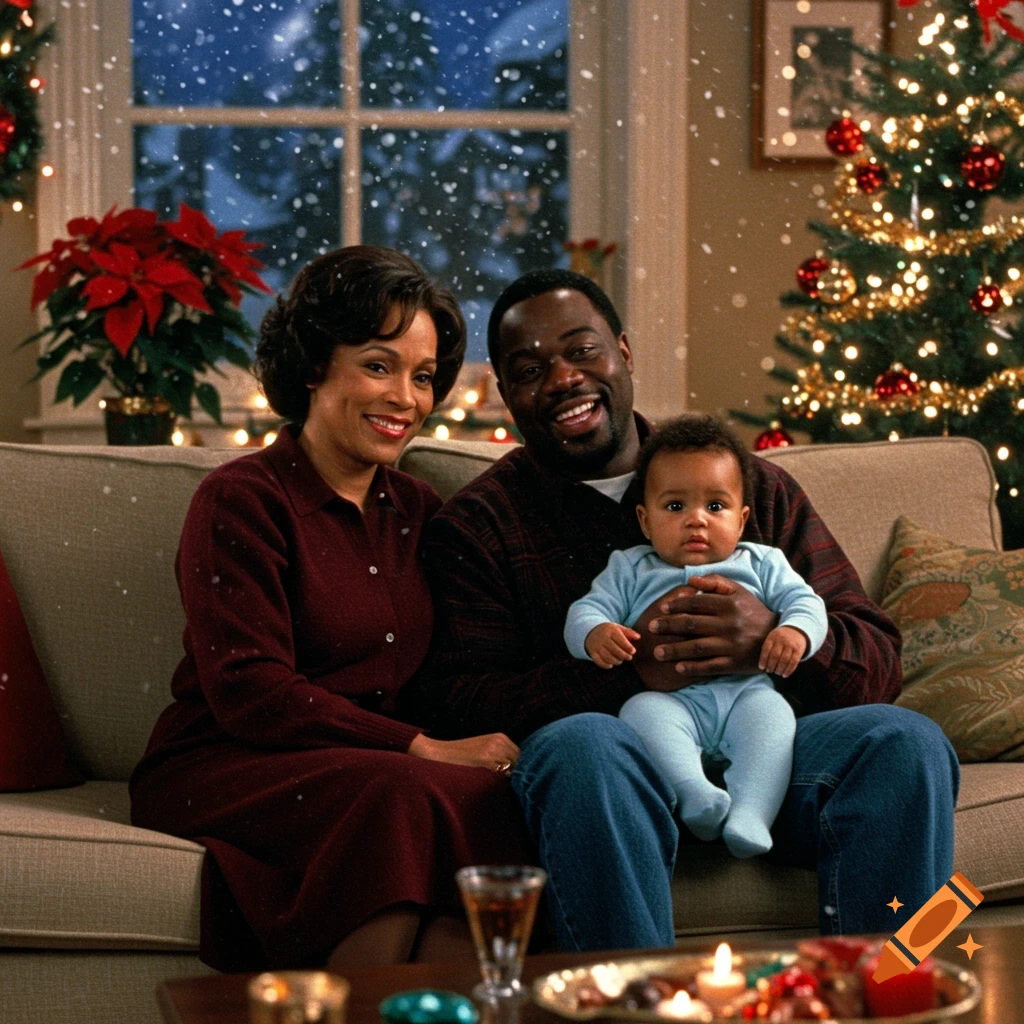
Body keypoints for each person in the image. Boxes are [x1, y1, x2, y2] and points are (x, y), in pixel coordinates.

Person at [413, 268, 959, 952]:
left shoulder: (747, 482)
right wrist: (632, 671)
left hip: (774, 758)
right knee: (584, 744)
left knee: (906, 741)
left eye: (582, 351)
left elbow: (878, 659)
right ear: (506, 396)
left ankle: (889, 994)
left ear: (624, 352)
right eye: (530, 368)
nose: (562, 379)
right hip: (609, 783)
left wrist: (773, 638)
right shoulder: (481, 526)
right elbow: (458, 704)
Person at [130, 246, 533, 973]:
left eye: (423, 376)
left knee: (489, 798)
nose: (406, 399)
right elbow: (250, 690)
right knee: (404, 793)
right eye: (378, 366)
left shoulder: (420, 511)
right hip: (226, 763)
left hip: (368, 774)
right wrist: (417, 746)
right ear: (314, 362)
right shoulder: (241, 499)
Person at [565, 414, 827, 859]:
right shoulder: (630, 567)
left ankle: (751, 813)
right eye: (675, 507)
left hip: (745, 694)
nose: (696, 522)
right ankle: (695, 796)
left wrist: (794, 632)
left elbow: (809, 604)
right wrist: (596, 634)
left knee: (774, 717)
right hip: (672, 703)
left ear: (742, 519)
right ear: (645, 522)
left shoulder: (762, 562)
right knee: (639, 712)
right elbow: (585, 610)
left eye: (715, 507)